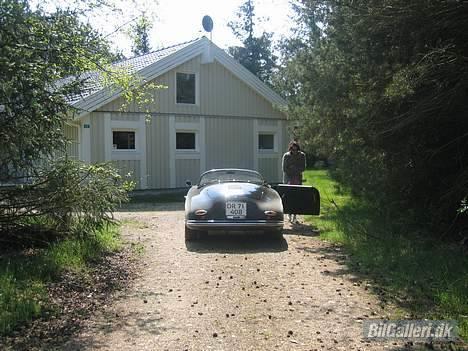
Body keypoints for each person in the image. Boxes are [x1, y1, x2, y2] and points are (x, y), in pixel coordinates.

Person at [282, 140, 306, 223]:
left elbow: (303, 168)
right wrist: (293, 170)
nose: (294, 151)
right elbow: (285, 168)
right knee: (289, 197)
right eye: (293, 150)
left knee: (296, 197)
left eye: (296, 150)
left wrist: (294, 168)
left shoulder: (302, 155)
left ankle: (295, 215)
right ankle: (289, 214)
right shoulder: (286, 156)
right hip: (288, 179)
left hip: (298, 179)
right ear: (290, 149)